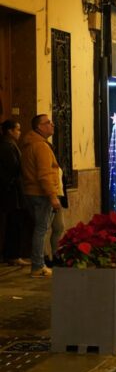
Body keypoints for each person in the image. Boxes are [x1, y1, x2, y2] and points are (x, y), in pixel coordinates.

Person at [20, 114, 60, 278]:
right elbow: (44, 174)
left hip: (31, 192)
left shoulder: (29, 144)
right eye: (48, 123)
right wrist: (52, 195)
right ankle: (38, 266)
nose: (52, 125)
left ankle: (39, 264)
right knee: (41, 230)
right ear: (39, 127)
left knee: (40, 229)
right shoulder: (41, 147)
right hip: (41, 193)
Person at [0, 119, 30, 266]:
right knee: (14, 224)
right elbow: (14, 168)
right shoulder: (7, 147)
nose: (19, 132)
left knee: (14, 223)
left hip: (13, 191)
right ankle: (13, 255)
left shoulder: (10, 145)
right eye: (17, 129)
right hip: (12, 192)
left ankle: (12, 254)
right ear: (9, 131)